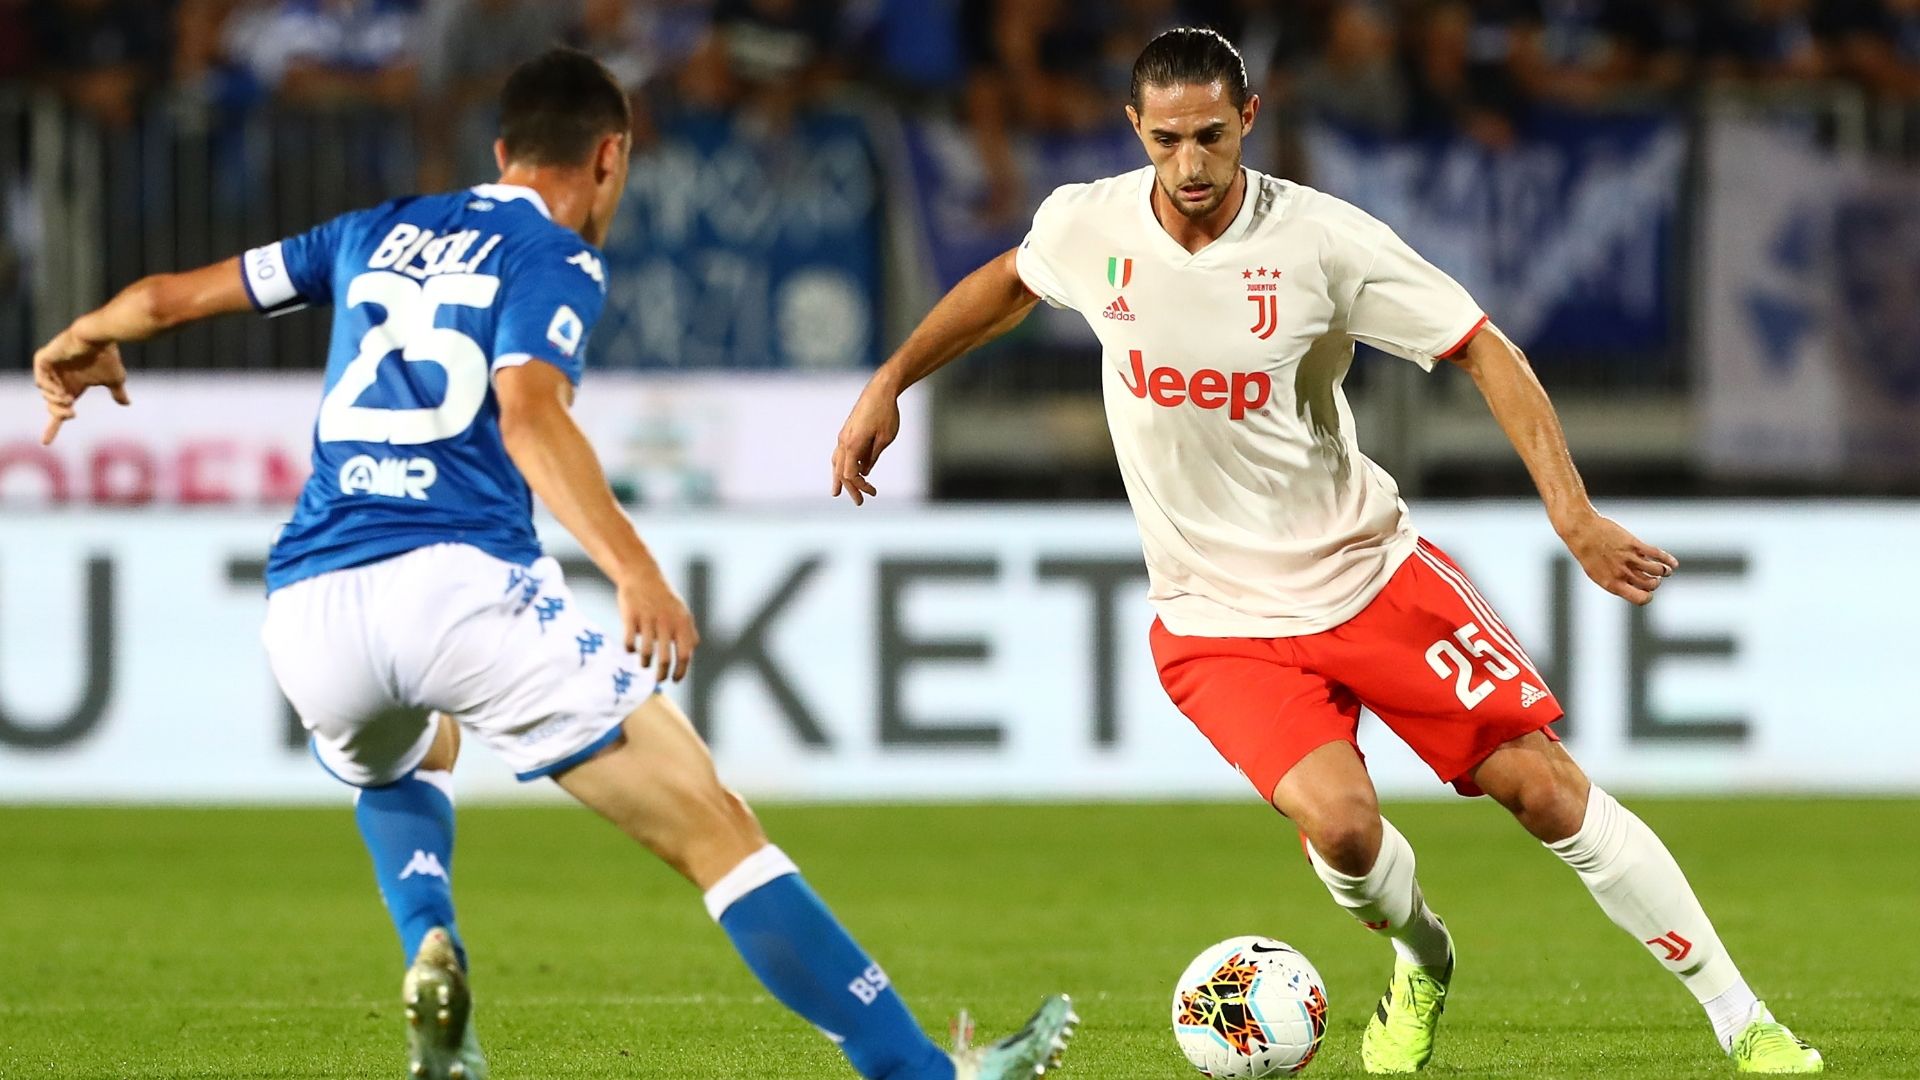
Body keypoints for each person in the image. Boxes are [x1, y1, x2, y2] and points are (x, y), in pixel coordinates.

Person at [31, 47, 1074, 1080]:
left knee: (407, 749)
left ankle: (430, 951)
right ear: (610, 158)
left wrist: (86, 334)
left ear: (499, 149)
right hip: (457, 588)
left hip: (309, 604)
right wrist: (635, 570)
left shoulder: (370, 229)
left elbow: (169, 300)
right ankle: (919, 1074)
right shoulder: (556, 256)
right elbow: (529, 414)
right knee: (715, 829)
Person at [832, 26, 1822, 1076]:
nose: (1192, 164)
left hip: (1366, 574)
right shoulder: (1090, 224)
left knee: (1543, 791)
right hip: (1217, 620)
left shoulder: (1322, 242)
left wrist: (1572, 514)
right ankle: (1423, 957)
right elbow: (1009, 281)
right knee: (1345, 833)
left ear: (1249, 119)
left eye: (1212, 135)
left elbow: (1485, 346)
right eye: (1167, 140)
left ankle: (1742, 1020)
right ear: (1136, 129)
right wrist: (893, 379)